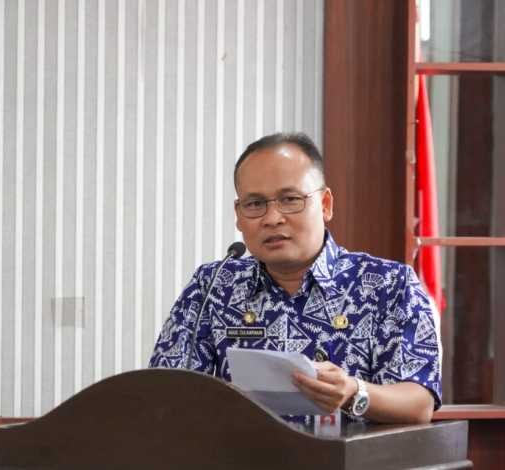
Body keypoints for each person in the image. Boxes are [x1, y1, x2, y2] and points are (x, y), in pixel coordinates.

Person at [149, 132, 441, 424]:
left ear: (325, 204)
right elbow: (166, 391)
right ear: (238, 214)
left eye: (290, 199)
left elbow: (419, 403)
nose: (272, 218)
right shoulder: (213, 285)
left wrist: (354, 392)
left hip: (349, 451)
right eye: (255, 204)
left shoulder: (388, 284)